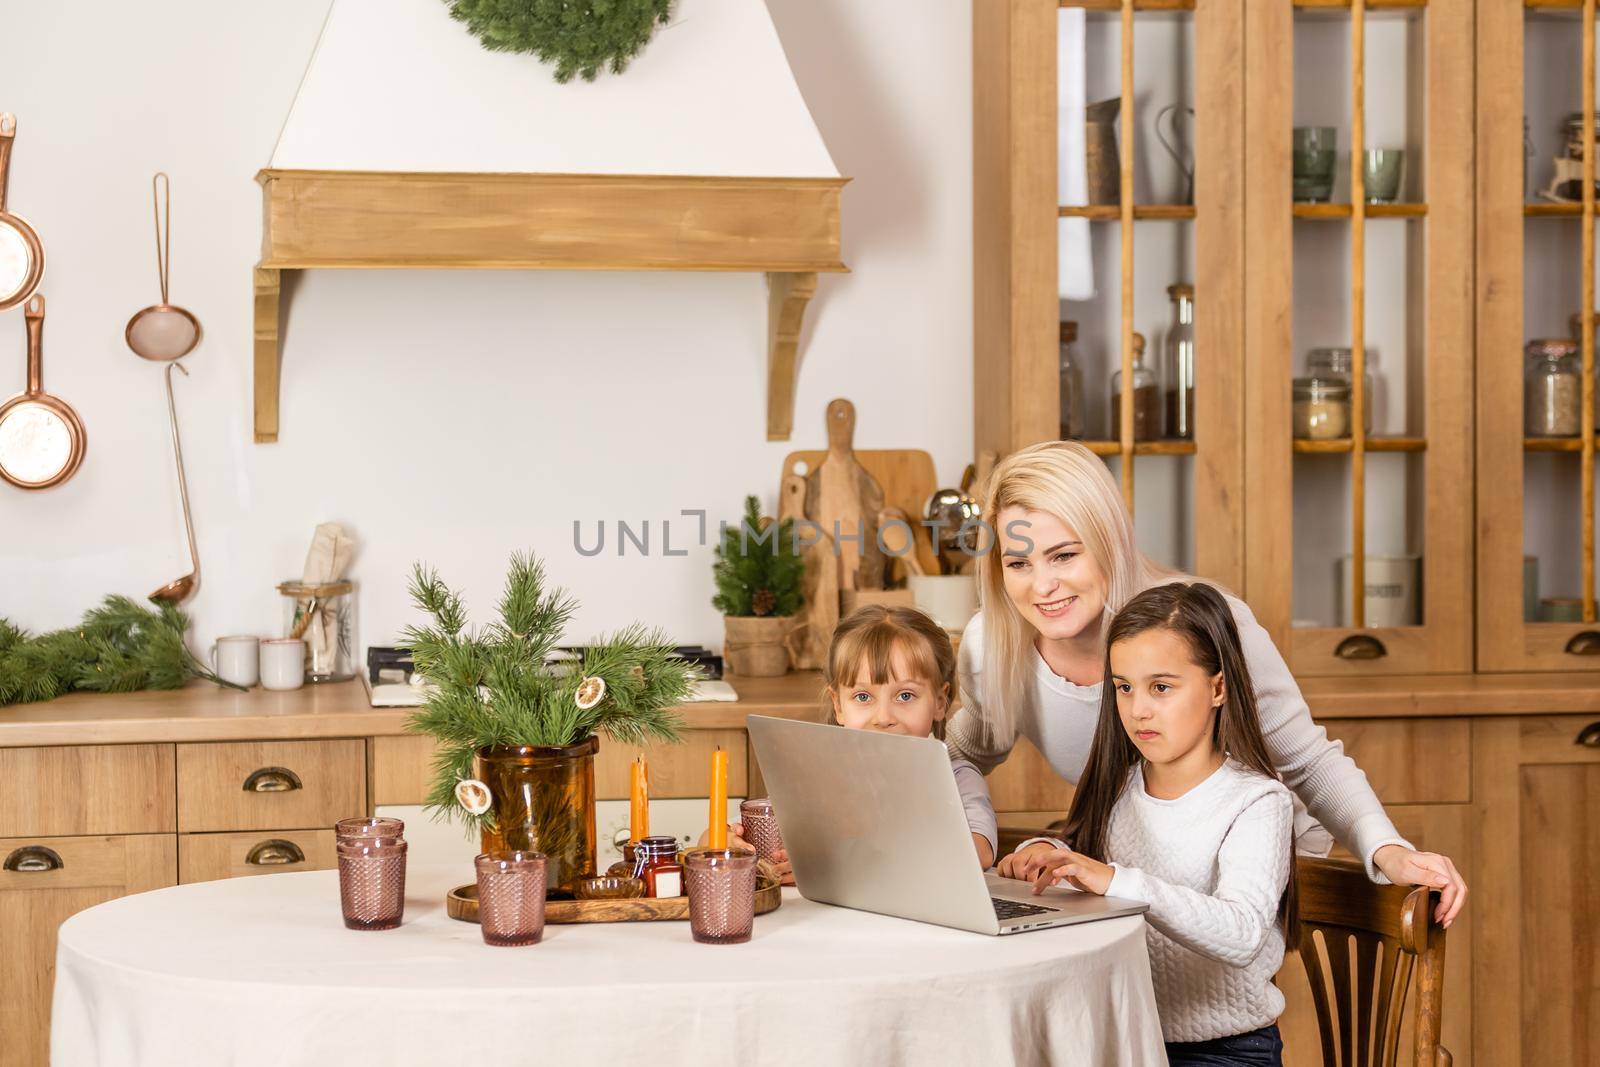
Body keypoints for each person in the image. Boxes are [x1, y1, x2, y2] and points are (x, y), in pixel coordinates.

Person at [953, 441, 1465, 928]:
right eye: (1018, 563)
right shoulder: (995, 645)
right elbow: (960, 757)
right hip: (1134, 872)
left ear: (1109, 543)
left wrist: (1387, 849)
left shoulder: (1201, 622)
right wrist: (976, 834)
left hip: (1241, 878)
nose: (1042, 586)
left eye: (1064, 556)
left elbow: (1307, 760)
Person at [1026, 582, 1294, 1065]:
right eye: (1124, 687)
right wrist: (1046, 852)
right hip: (1124, 1038)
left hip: (1226, 1052)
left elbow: (1243, 933)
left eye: (1161, 687)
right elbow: (1088, 864)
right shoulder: (1119, 785)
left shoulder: (1256, 802)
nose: (1138, 708)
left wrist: (1116, 881)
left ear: (1217, 688)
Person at [706, 604, 993, 878]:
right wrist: (725, 839)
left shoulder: (959, 780)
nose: (883, 717)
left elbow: (977, 854)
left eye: (905, 695)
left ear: (940, 702)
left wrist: (834, 862)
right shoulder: (817, 780)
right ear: (839, 706)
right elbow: (728, 833)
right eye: (863, 697)